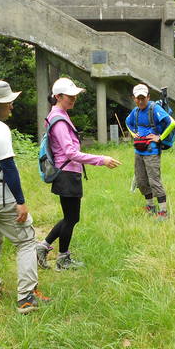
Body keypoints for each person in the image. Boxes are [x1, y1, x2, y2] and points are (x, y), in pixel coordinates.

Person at [0, 80, 50, 314]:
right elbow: (10, 168)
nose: (12, 106)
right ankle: (26, 298)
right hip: (0, 198)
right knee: (26, 241)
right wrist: (21, 202)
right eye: (8, 103)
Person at [36, 77, 121, 271]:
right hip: (66, 174)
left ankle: (43, 248)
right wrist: (102, 160)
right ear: (58, 96)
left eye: (75, 96)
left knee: (71, 217)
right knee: (71, 217)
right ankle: (61, 259)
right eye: (69, 96)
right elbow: (70, 153)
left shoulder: (60, 114)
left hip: (68, 173)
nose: (73, 99)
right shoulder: (59, 120)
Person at [125, 83, 175, 220]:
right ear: (134, 98)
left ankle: (163, 212)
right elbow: (127, 122)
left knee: (154, 181)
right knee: (141, 180)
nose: (141, 101)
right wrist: (133, 133)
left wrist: (160, 137)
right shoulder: (135, 112)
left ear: (148, 97)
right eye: (138, 98)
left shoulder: (154, 109)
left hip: (152, 152)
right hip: (139, 151)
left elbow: (172, 123)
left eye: (143, 98)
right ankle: (150, 206)